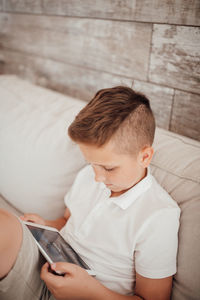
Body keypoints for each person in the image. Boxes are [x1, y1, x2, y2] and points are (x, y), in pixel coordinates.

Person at [0, 86, 180, 300]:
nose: (97, 178)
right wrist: (46, 225)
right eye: (91, 164)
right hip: (48, 266)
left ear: (145, 157)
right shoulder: (89, 176)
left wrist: (90, 292)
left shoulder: (159, 215)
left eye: (109, 168)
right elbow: (67, 221)